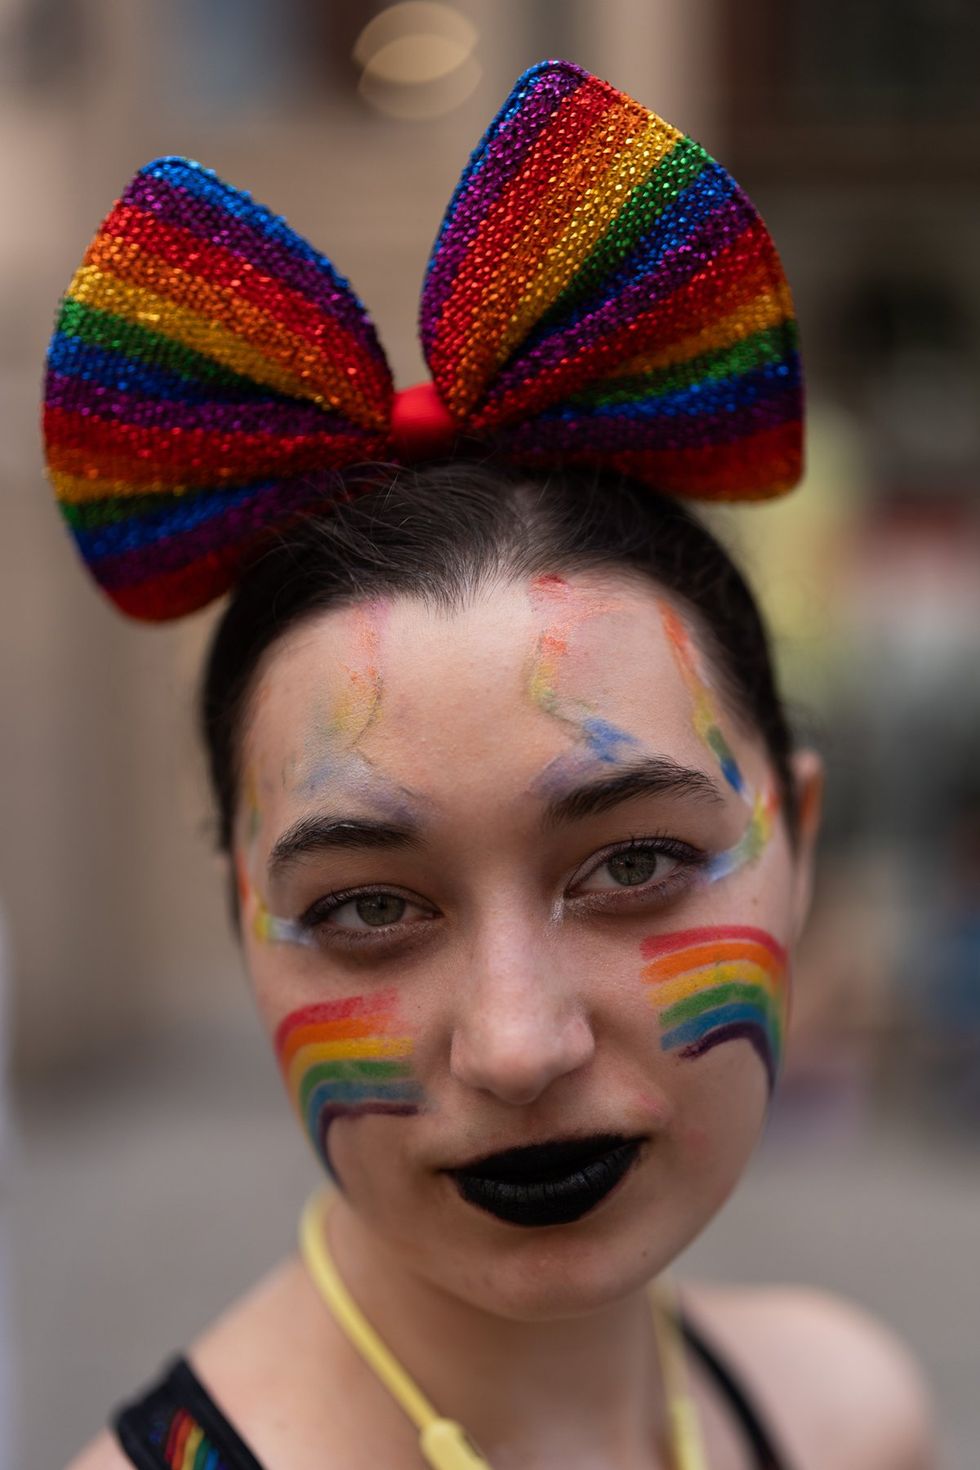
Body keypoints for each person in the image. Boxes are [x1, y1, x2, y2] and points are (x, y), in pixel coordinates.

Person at [46, 59, 935, 1470]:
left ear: (801, 838)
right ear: (241, 923)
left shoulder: (851, 1418)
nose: (518, 1045)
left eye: (634, 863)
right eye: (367, 906)